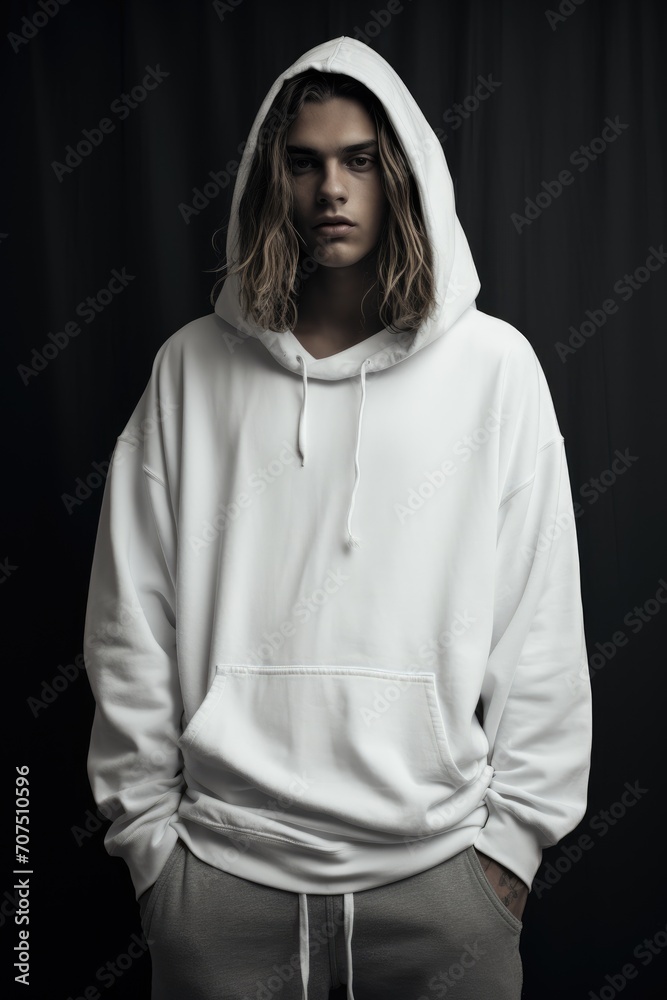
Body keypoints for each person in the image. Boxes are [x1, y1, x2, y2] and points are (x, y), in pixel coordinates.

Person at [83, 36, 593, 1000]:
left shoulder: (494, 370)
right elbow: (129, 617)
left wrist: (511, 851)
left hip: (442, 884)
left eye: (359, 159)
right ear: (270, 178)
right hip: (220, 879)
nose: (331, 189)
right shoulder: (191, 368)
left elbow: (540, 627)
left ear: (402, 174)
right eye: (303, 162)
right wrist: (149, 846)